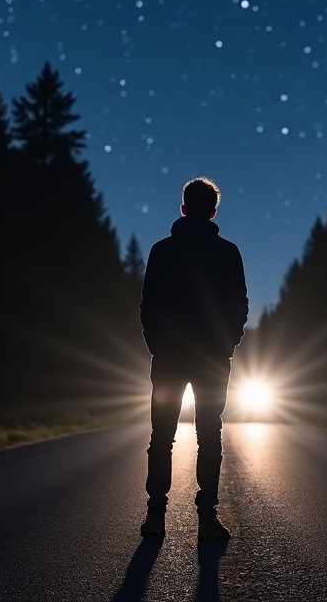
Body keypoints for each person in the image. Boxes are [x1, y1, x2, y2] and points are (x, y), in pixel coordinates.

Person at [138, 176, 249, 541]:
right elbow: (240, 306)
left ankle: (156, 515)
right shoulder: (228, 252)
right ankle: (206, 517)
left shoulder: (161, 250)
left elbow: (148, 304)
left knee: (162, 435)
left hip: (169, 357)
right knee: (209, 435)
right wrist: (228, 344)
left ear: (183, 208)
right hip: (212, 359)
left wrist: (156, 345)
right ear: (214, 210)